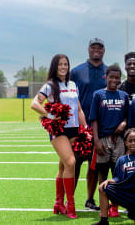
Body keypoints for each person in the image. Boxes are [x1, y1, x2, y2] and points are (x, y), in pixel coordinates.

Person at [31, 54, 87, 219]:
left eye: (66, 64)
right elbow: (34, 103)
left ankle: (58, 203)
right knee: (71, 162)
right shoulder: (50, 85)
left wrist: (85, 129)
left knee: (63, 166)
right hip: (58, 130)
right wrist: (50, 116)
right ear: (55, 67)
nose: (63, 67)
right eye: (60, 64)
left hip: (74, 128)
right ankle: (70, 205)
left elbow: (78, 109)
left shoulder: (73, 84)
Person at [70, 37, 107, 211]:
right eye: (94, 47)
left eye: (100, 47)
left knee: (94, 166)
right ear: (88, 49)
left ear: (104, 50)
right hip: (79, 127)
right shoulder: (76, 72)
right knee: (74, 163)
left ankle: (90, 200)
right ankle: (69, 200)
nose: (97, 50)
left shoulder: (109, 72)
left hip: (99, 127)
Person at [89, 65, 129, 217]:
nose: (114, 80)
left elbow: (127, 116)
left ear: (120, 78)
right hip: (103, 139)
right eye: (111, 77)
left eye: (117, 77)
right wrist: (96, 140)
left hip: (118, 140)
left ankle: (114, 206)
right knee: (102, 173)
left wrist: (124, 123)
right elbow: (94, 119)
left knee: (117, 173)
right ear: (106, 77)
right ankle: (103, 204)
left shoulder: (123, 95)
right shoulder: (99, 95)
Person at [92, 128, 135, 225]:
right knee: (102, 188)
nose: (133, 143)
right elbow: (118, 178)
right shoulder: (121, 160)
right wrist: (109, 180)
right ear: (125, 143)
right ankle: (103, 221)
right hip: (126, 194)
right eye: (130, 141)